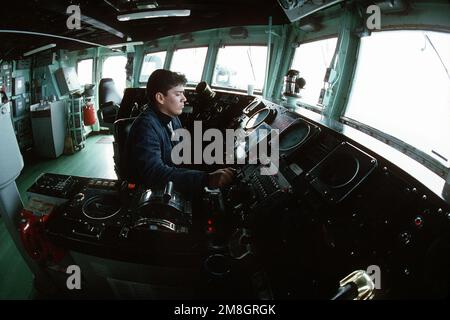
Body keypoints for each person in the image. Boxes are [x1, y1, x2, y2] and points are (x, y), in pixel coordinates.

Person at [127, 69, 235, 195]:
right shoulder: (145, 127)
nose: (184, 99)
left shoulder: (173, 118)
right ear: (160, 98)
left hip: (171, 182)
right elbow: (154, 173)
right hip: (150, 195)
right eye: (178, 94)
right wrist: (207, 178)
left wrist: (216, 159)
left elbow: (183, 152)